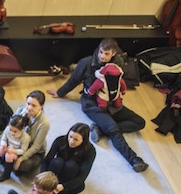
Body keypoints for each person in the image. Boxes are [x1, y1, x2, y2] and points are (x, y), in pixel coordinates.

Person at [47, 38, 149, 172]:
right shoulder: (86, 62)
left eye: (107, 54)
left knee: (139, 122)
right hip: (92, 104)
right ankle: (134, 160)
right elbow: (73, 80)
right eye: (101, 52)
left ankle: (100, 130)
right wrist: (60, 92)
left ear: (113, 53)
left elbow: (119, 83)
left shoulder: (118, 63)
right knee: (114, 129)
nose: (102, 56)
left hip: (112, 104)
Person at [0, 90, 50, 182]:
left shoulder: (44, 123)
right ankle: (5, 158)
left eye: (34, 105)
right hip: (15, 141)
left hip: (31, 149)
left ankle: (5, 161)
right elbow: (9, 128)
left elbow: (36, 147)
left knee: (24, 165)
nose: (29, 108)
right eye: (28, 103)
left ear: (42, 106)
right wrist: (0, 145)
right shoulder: (21, 110)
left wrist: (21, 158)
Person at [41, 123, 96, 194]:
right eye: (70, 136)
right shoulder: (60, 140)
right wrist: (44, 180)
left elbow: (82, 176)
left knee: (70, 166)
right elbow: (46, 161)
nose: (71, 141)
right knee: (57, 162)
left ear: (84, 140)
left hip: (70, 178)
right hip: (56, 171)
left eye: (76, 139)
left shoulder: (90, 151)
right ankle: (48, 193)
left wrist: (62, 187)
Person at [0, 114, 30, 178]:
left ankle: (6, 174)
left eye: (15, 131)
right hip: (7, 147)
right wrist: (3, 144)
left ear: (22, 129)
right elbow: (3, 138)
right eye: (11, 130)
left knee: (9, 156)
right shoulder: (7, 129)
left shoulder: (26, 137)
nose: (12, 133)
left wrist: (14, 151)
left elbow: (23, 150)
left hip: (16, 152)